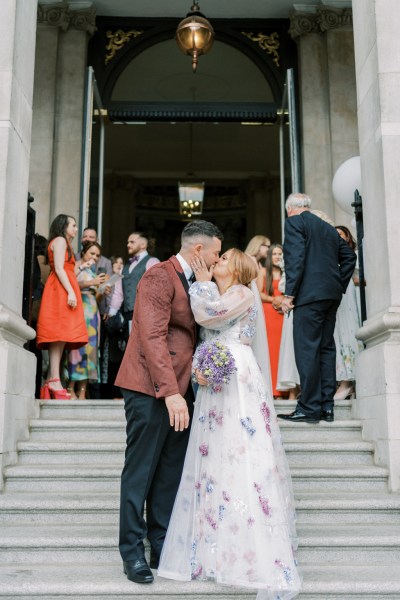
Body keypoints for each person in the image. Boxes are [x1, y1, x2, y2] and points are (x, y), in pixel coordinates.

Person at [158, 248, 301, 600]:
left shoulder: (240, 293)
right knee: (215, 453)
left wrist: (202, 286)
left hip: (237, 377)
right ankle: (211, 546)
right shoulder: (226, 290)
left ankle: (249, 552)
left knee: (241, 449)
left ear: (235, 269)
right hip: (217, 380)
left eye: (222, 260)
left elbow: (210, 316)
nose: (215, 263)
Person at [115, 220, 223, 585]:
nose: (219, 259)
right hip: (149, 388)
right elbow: (152, 337)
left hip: (182, 389)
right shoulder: (159, 276)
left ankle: (160, 543)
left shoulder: (198, 283)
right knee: (141, 470)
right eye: (216, 252)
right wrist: (171, 392)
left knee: (169, 472)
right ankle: (132, 552)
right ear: (198, 251)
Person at [278, 193, 357, 424]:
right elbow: (349, 257)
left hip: (308, 297)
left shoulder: (294, 222)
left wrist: (289, 294)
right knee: (325, 349)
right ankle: (326, 406)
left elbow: (296, 259)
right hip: (330, 297)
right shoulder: (327, 227)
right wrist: (337, 285)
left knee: (306, 350)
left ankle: (309, 408)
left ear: (290, 209)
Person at [36, 214, 88, 399]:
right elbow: (58, 268)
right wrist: (71, 292)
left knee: (60, 336)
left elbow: (66, 269)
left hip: (63, 287)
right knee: (58, 334)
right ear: (63, 226)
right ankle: (54, 379)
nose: (76, 229)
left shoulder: (63, 242)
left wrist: (82, 267)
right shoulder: (59, 240)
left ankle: (52, 378)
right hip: (60, 290)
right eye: (73, 225)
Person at [66, 241, 109, 400]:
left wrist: (103, 291)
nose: (95, 257)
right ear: (83, 252)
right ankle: (70, 388)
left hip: (92, 313)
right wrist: (92, 282)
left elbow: (96, 297)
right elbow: (71, 284)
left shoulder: (92, 271)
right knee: (76, 349)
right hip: (79, 311)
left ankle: (83, 390)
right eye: (92, 253)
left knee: (91, 351)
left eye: (97, 255)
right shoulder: (77, 265)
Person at [333, 225, 364, 400]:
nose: (336, 237)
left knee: (349, 333)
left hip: (348, 294)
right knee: (337, 335)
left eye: (340, 234)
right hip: (336, 295)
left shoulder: (354, 255)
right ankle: (341, 379)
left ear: (348, 238)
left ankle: (348, 380)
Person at [108, 232, 160, 333]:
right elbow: (118, 292)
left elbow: (156, 291)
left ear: (143, 245)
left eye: (132, 242)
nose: (128, 245)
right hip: (128, 315)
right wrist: (111, 313)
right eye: (128, 242)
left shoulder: (153, 262)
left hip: (145, 315)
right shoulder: (125, 266)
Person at [257, 243, 285, 397]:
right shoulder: (263, 271)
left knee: (283, 351)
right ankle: (272, 390)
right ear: (269, 256)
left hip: (283, 314)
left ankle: (284, 389)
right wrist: (274, 299)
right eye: (274, 254)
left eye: (280, 254)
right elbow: (258, 293)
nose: (277, 257)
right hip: (268, 313)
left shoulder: (286, 272)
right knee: (270, 351)